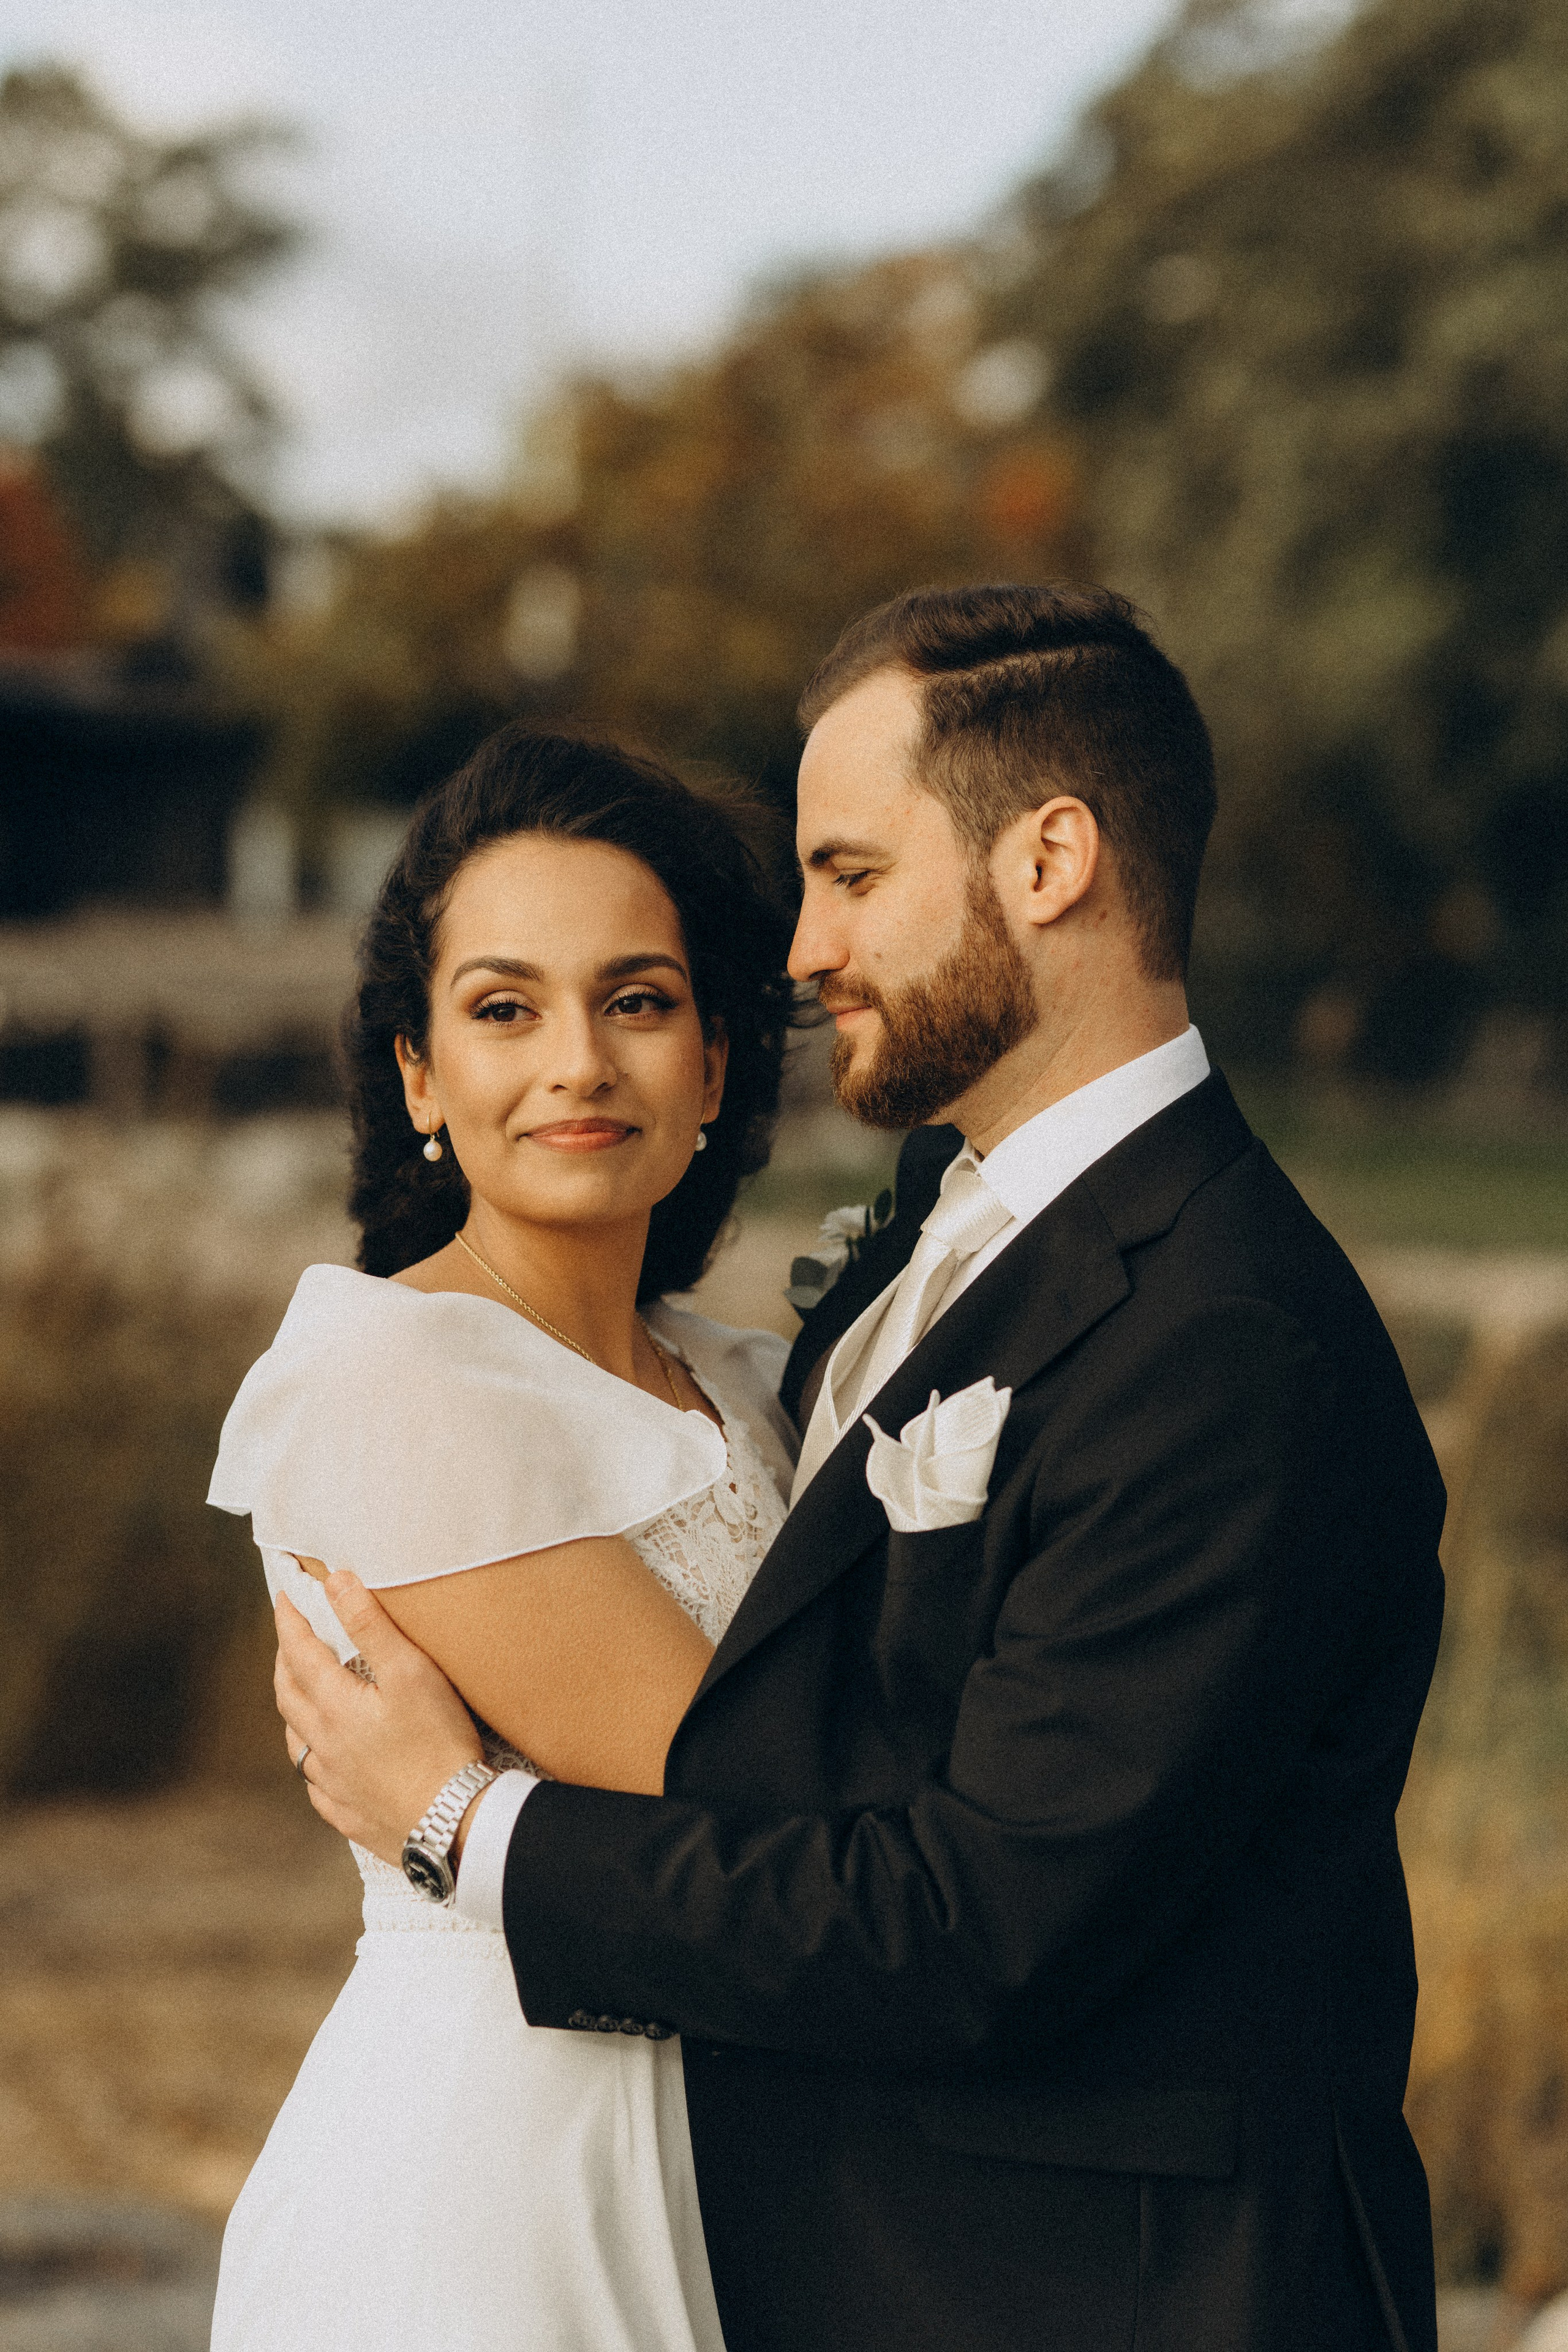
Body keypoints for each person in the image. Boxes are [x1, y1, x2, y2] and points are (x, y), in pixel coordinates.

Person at [279, 583, 1447, 2352]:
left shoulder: (1221, 1329)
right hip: (615, 2219)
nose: (808, 950)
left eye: (852, 873)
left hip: (1126, 2295)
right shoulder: (940, 1251)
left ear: (1048, 861)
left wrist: (465, 1820)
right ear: (419, 1069)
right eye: (505, 1010)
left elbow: (972, 1919)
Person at [206, 728, 800, 2351]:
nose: (579, 1063)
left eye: (639, 1000)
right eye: (504, 1007)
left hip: (742, 2173)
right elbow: (756, 1798)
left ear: (718, 1060)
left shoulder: (751, 1385)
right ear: (418, 1073)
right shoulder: (388, 1376)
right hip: (492, 2198)